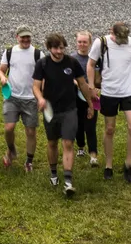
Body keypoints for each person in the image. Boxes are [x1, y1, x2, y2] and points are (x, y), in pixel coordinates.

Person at [33, 32, 97, 197]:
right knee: (52, 142)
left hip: (70, 109)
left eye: (62, 48)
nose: (59, 51)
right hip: (51, 110)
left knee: (68, 143)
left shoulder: (72, 62)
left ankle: (68, 181)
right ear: (49, 48)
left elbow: (82, 84)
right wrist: (40, 98)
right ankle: (54, 172)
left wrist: (90, 104)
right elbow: (35, 86)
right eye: (55, 48)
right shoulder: (43, 64)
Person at [87, 21, 131, 184]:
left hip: (128, 91)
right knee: (109, 129)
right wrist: (91, 86)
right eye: (119, 38)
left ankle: (128, 164)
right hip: (109, 92)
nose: (123, 41)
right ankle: (108, 165)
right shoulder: (101, 42)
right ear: (111, 32)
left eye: (125, 38)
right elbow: (91, 64)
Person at [0, 25, 43, 172]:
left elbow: (44, 76)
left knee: (30, 132)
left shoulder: (38, 54)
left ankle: (29, 161)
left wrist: (41, 96)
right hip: (12, 96)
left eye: (28, 37)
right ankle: (11, 150)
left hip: (30, 98)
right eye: (22, 37)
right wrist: (3, 77)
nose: (25, 39)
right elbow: (1, 70)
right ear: (17, 37)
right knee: (9, 128)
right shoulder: (9, 52)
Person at [73, 30, 100, 167]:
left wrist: (96, 88)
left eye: (85, 42)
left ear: (90, 43)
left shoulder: (95, 59)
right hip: (76, 98)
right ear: (76, 43)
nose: (82, 44)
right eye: (80, 42)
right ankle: (81, 147)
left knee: (91, 127)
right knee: (78, 126)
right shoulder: (71, 59)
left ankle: (93, 155)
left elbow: (100, 77)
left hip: (92, 96)